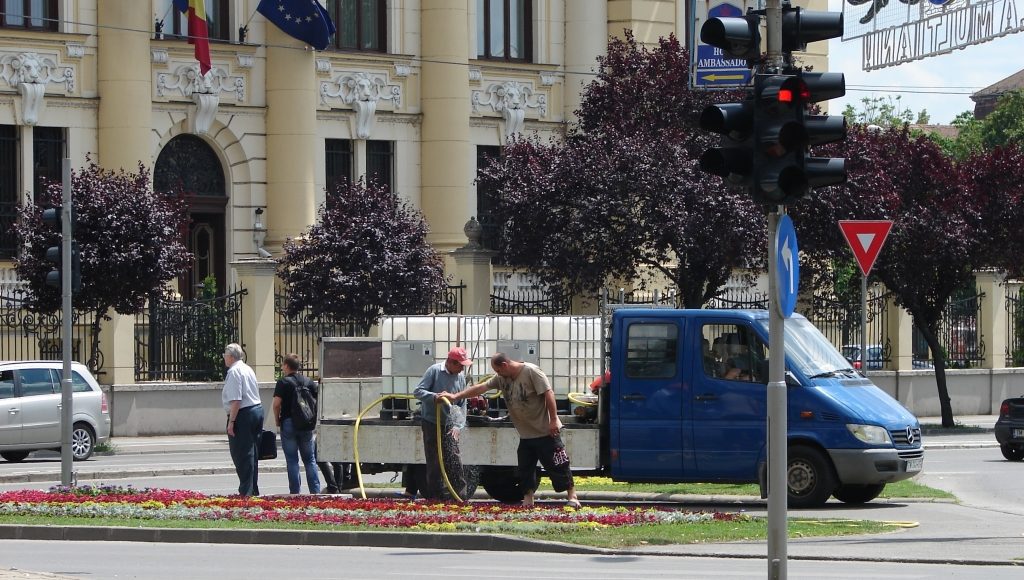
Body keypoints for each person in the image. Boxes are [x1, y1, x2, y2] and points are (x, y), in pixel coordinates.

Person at [444, 353, 580, 508]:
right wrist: (456, 396)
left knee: (558, 463)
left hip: (545, 431)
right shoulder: (502, 378)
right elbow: (481, 387)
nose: (497, 374)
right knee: (525, 469)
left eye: (498, 370)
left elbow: (549, 393)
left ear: (505, 365)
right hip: (525, 434)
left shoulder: (531, 372)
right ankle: (528, 499)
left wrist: (554, 419)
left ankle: (572, 496)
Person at [412, 346, 471, 501]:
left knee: (454, 459)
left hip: (450, 424)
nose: (462, 369)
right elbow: (418, 391)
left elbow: (462, 404)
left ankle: (460, 497)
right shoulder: (434, 371)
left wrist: (458, 426)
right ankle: (436, 498)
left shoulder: (460, 377)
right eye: (460, 365)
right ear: (451, 362)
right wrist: (434, 397)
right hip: (432, 422)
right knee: (434, 461)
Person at [273, 353, 321, 494]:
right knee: (310, 459)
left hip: (288, 423)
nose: (282, 368)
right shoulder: (309, 382)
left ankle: (295, 492)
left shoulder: (283, 382)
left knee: (292, 460)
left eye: (283, 365)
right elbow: (316, 402)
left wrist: (277, 420)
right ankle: (315, 491)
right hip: (306, 424)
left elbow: (276, 404)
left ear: (287, 366)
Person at [222, 343, 264, 496]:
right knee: (252, 453)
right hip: (256, 410)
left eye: (225, 355)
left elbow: (236, 400)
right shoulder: (247, 368)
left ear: (231, 357)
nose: (224, 358)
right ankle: (252, 489)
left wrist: (231, 422)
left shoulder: (234, 371)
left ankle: (246, 492)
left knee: (242, 454)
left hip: (243, 414)